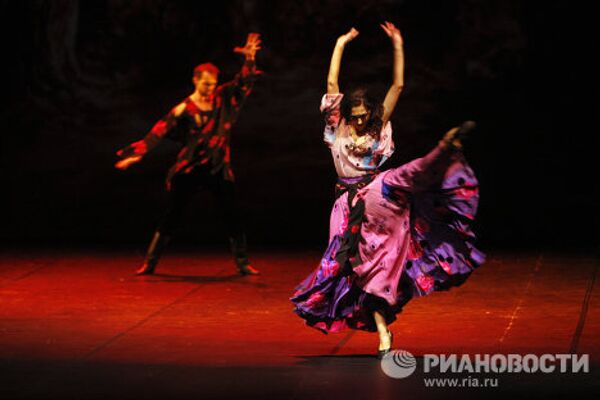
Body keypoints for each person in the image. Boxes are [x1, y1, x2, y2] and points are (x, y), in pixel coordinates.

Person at [291, 23, 485, 358]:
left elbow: (398, 85)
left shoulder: (378, 126)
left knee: (410, 174)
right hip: (347, 204)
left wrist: (398, 43)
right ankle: (382, 329)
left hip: (380, 192)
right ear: (347, 115)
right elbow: (332, 84)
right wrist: (340, 43)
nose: (362, 121)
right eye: (357, 117)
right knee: (350, 267)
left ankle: (445, 147)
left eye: (366, 116)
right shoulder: (336, 127)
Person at [115, 33, 262, 276]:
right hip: (191, 168)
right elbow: (158, 132)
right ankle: (150, 262)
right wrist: (137, 154)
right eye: (206, 84)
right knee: (173, 214)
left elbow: (244, 83)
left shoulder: (223, 99)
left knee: (231, 212)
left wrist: (250, 59)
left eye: (213, 84)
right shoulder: (184, 109)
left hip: (218, 167)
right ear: (195, 81)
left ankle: (242, 262)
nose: (210, 88)